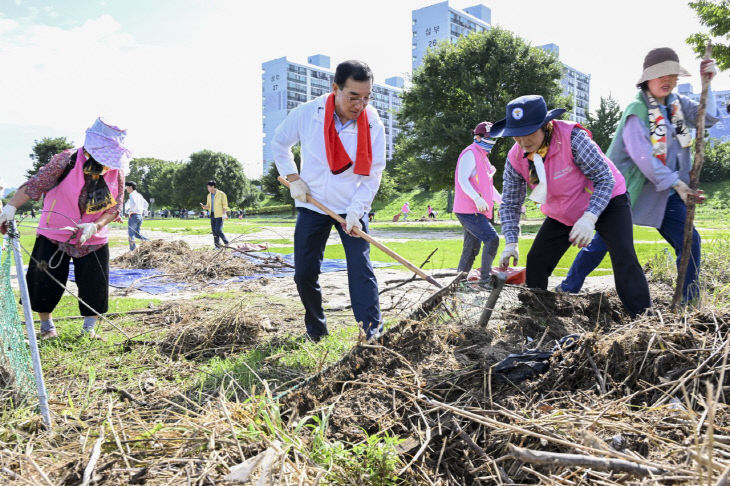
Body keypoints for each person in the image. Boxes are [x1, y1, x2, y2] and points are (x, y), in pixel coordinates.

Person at [557, 48, 718, 303]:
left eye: (672, 75)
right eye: (660, 75)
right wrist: (677, 184)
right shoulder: (637, 109)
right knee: (603, 242)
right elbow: (643, 156)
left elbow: (706, 118)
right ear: (647, 79)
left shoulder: (676, 104)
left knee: (689, 240)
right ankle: (567, 289)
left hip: (663, 191)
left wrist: (708, 82)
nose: (668, 80)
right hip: (627, 189)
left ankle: (688, 301)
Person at [492, 95, 651, 317]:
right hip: (563, 211)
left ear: (545, 125)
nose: (523, 142)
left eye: (528, 134)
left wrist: (589, 217)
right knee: (537, 260)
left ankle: (642, 317)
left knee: (623, 255)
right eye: (516, 136)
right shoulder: (515, 157)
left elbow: (605, 179)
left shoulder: (572, 138)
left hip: (608, 201)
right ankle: (538, 318)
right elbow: (510, 202)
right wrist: (510, 241)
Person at [272, 59, 386, 342]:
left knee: (361, 269)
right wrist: (293, 177)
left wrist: (356, 211)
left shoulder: (372, 123)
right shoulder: (307, 113)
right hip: (313, 204)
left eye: (366, 97)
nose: (360, 105)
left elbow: (374, 174)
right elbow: (279, 143)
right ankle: (317, 329)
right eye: (353, 96)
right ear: (335, 88)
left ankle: (371, 333)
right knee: (305, 273)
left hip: (352, 207)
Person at [0, 118, 129, 340]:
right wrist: (11, 206)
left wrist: (95, 225)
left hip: (93, 237)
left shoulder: (115, 170)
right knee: (44, 280)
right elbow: (35, 185)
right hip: (54, 232)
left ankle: (89, 330)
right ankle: (47, 327)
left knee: (94, 283)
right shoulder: (66, 160)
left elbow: (115, 207)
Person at [454, 121, 501, 284]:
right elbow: (462, 179)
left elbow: (488, 186)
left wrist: (501, 201)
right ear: (478, 137)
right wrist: (476, 198)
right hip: (468, 209)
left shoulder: (483, 156)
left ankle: (459, 281)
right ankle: (485, 280)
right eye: (488, 138)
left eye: (493, 138)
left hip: (477, 210)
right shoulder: (470, 153)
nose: (492, 142)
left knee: (471, 247)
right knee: (492, 239)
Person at [200, 180, 229, 248]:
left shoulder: (222, 194)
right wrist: (204, 207)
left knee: (218, 230)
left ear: (213, 186)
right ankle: (217, 246)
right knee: (214, 231)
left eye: (208, 187)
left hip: (220, 215)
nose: (208, 189)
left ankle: (226, 242)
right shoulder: (208, 195)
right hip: (212, 215)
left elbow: (225, 205)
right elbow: (208, 206)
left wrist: (224, 213)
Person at [124, 180, 149, 251]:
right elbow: (146, 204)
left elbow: (134, 203)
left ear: (130, 187)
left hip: (134, 216)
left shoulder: (132, 195)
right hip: (140, 216)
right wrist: (143, 211)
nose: (126, 189)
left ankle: (132, 250)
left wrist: (130, 211)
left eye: (127, 187)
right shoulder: (139, 195)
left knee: (131, 234)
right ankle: (149, 242)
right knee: (137, 234)